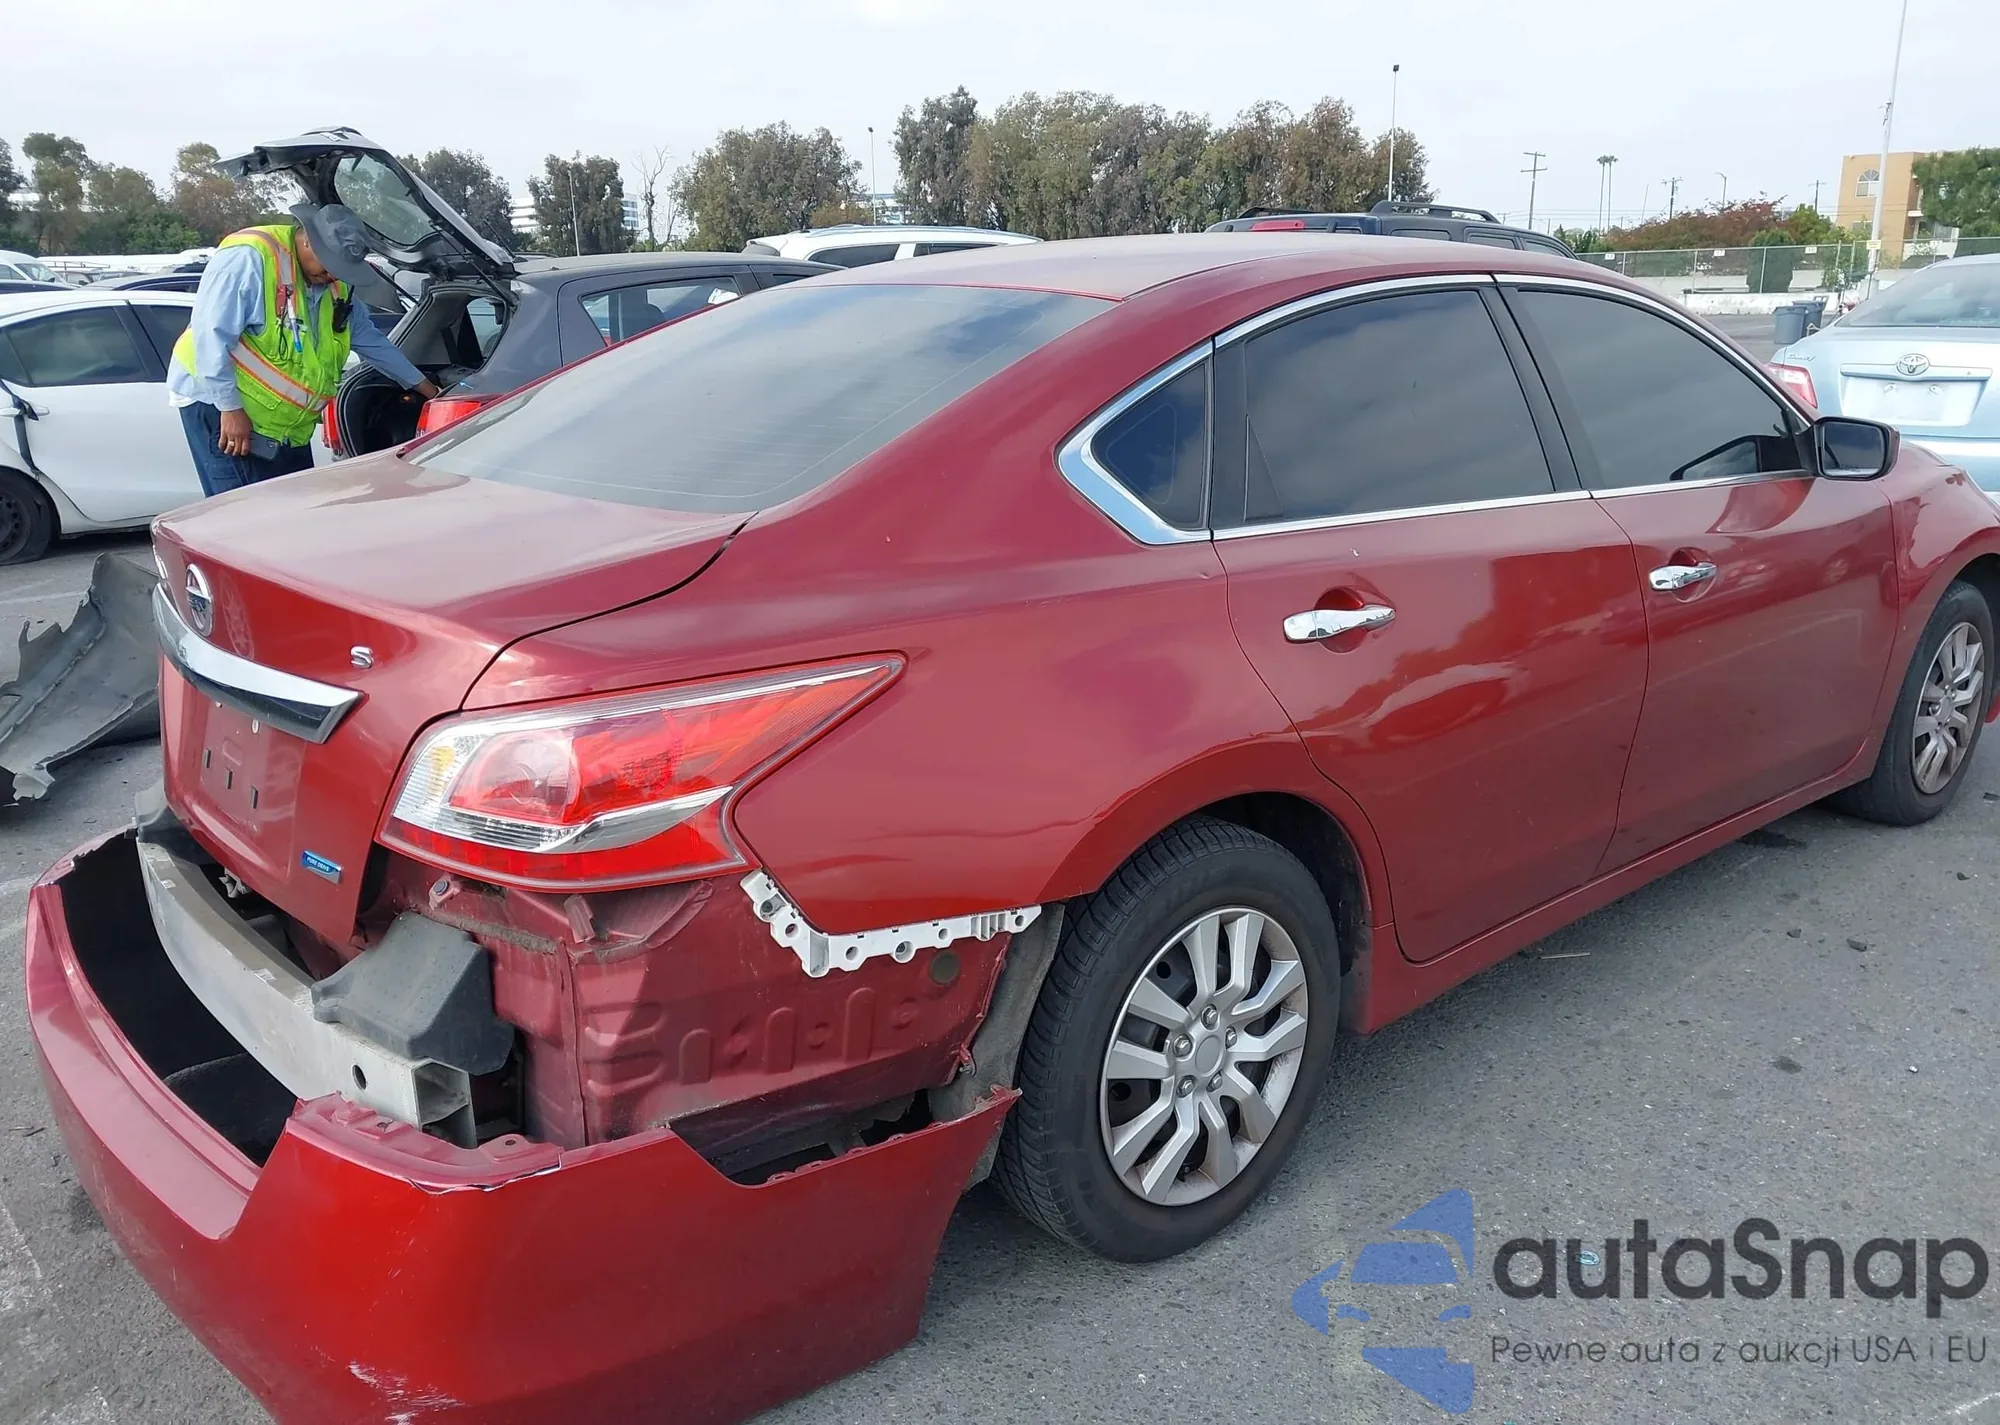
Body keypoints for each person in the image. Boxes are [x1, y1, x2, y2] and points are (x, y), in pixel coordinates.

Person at [168, 204, 438, 496]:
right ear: (308, 240)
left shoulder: (335, 284)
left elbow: (371, 340)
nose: (333, 276)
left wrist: (423, 386)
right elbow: (210, 337)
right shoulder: (249, 258)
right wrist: (229, 409)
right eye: (330, 266)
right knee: (245, 515)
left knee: (294, 512)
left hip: (283, 427)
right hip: (219, 407)